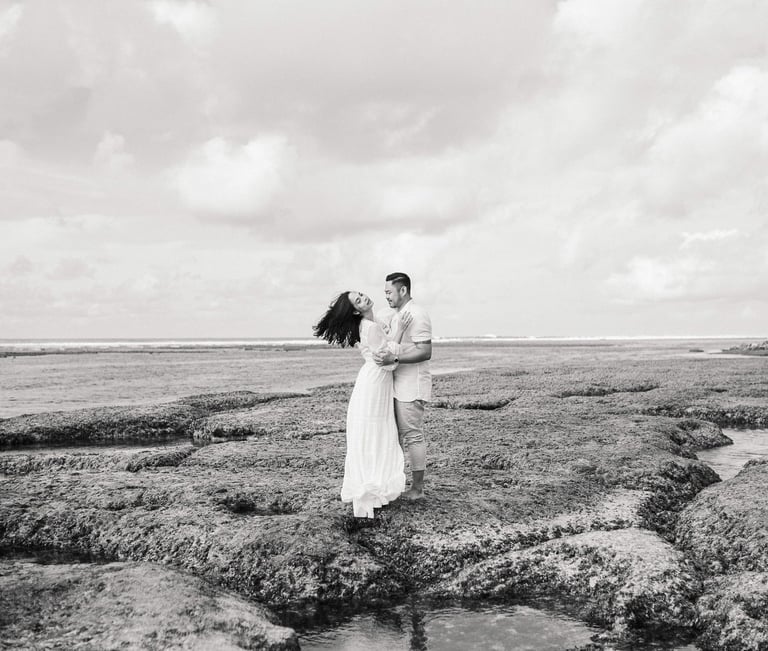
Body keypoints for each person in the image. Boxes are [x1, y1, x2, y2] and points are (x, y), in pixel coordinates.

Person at [313, 290, 412, 518]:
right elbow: (388, 361)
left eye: (360, 295)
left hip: (371, 380)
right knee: (377, 431)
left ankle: (374, 483)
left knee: (371, 432)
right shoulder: (371, 327)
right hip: (376, 381)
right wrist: (400, 330)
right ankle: (374, 486)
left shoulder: (367, 324)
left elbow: (382, 350)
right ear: (356, 311)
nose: (364, 298)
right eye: (358, 301)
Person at [373, 273, 432, 500]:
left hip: (412, 385)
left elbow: (425, 351)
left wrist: (394, 359)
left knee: (412, 435)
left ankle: (417, 489)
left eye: (389, 292)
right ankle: (395, 484)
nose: (386, 296)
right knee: (393, 435)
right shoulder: (396, 315)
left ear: (403, 290)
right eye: (385, 292)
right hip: (396, 384)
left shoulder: (417, 314)